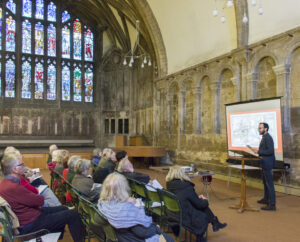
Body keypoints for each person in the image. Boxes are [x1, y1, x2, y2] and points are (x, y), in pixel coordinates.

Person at [0, 152, 85, 242]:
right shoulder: (14, 187)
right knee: (74, 214)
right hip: (30, 223)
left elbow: (32, 199)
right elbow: (39, 200)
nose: (24, 166)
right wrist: (35, 196)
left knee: (64, 208)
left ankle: (56, 237)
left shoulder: (4, 183)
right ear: (15, 169)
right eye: (22, 164)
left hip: (28, 216)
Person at [98, 173, 174, 242]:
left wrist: (127, 202)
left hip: (119, 237)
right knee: (169, 239)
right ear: (123, 189)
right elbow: (143, 232)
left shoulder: (103, 204)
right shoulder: (127, 211)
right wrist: (156, 228)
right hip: (133, 239)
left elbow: (97, 220)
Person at [166, 166, 226, 242]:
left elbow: (183, 196)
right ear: (182, 174)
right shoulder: (186, 186)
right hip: (184, 215)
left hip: (174, 212)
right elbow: (200, 204)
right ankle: (206, 231)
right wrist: (204, 200)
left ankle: (215, 223)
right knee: (203, 208)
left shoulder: (170, 184)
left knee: (199, 201)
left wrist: (197, 198)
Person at [256, 122, 276, 211]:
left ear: (265, 129)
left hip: (268, 164)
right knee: (265, 183)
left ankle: (272, 204)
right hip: (264, 164)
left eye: (260, 128)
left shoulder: (268, 137)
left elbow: (270, 151)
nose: (259, 130)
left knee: (269, 184)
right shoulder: (264, 137)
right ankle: (266, 199)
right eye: (258, 128)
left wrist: (259, 152)